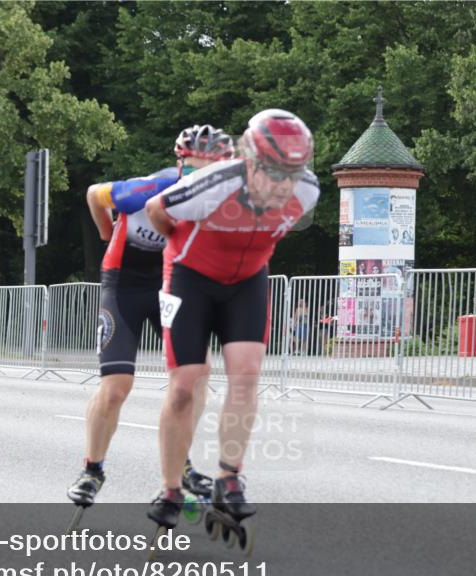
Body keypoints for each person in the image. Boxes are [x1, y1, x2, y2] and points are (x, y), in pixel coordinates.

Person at [143, 109, 320, 530]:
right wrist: (178, 242)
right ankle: (170, 487)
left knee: (246, 375)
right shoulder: (217, 182)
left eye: (293, 174)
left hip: (247, 281)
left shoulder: (308, 191)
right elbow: (155, 208)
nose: (284, 185)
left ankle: (229, 476)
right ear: (251, 162)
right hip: (190, 276)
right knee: (186, 384)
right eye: (275, 172)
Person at [66, 125, 235, 511]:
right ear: (180, 164)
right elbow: (94, 194)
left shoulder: (220, 204)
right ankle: (93, 468)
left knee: (196, 375)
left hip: (169, 287)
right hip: (123, 285)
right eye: (193, 168)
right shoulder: (146, 189)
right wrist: (108, 233)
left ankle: (182, 463)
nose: (201, 176)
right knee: (116, 387)